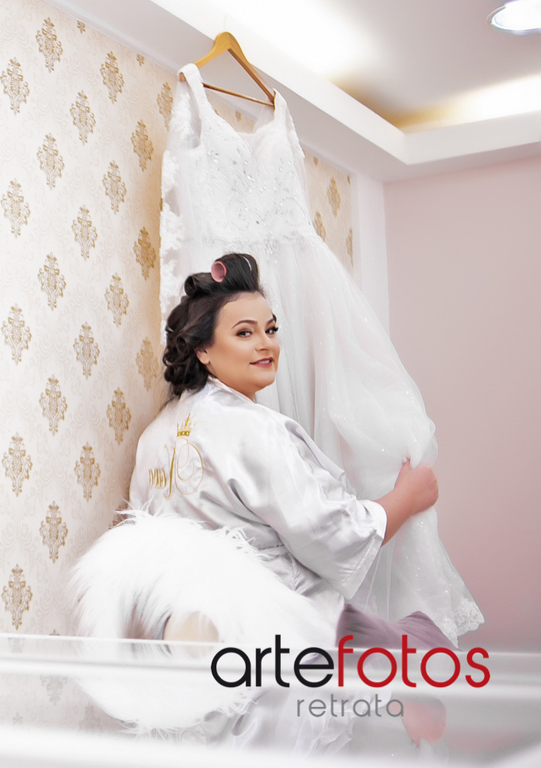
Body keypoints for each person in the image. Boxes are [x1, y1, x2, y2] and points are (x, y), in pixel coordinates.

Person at [128, 252, 449, 647]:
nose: (266, 345)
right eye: (244, 333)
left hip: (184, 638)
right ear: (202, 349)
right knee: (428, 652)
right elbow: (329, 533)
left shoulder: (154, 436)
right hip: (278, 632)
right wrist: (407, 497)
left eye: (271, 329)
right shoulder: (256, 430)